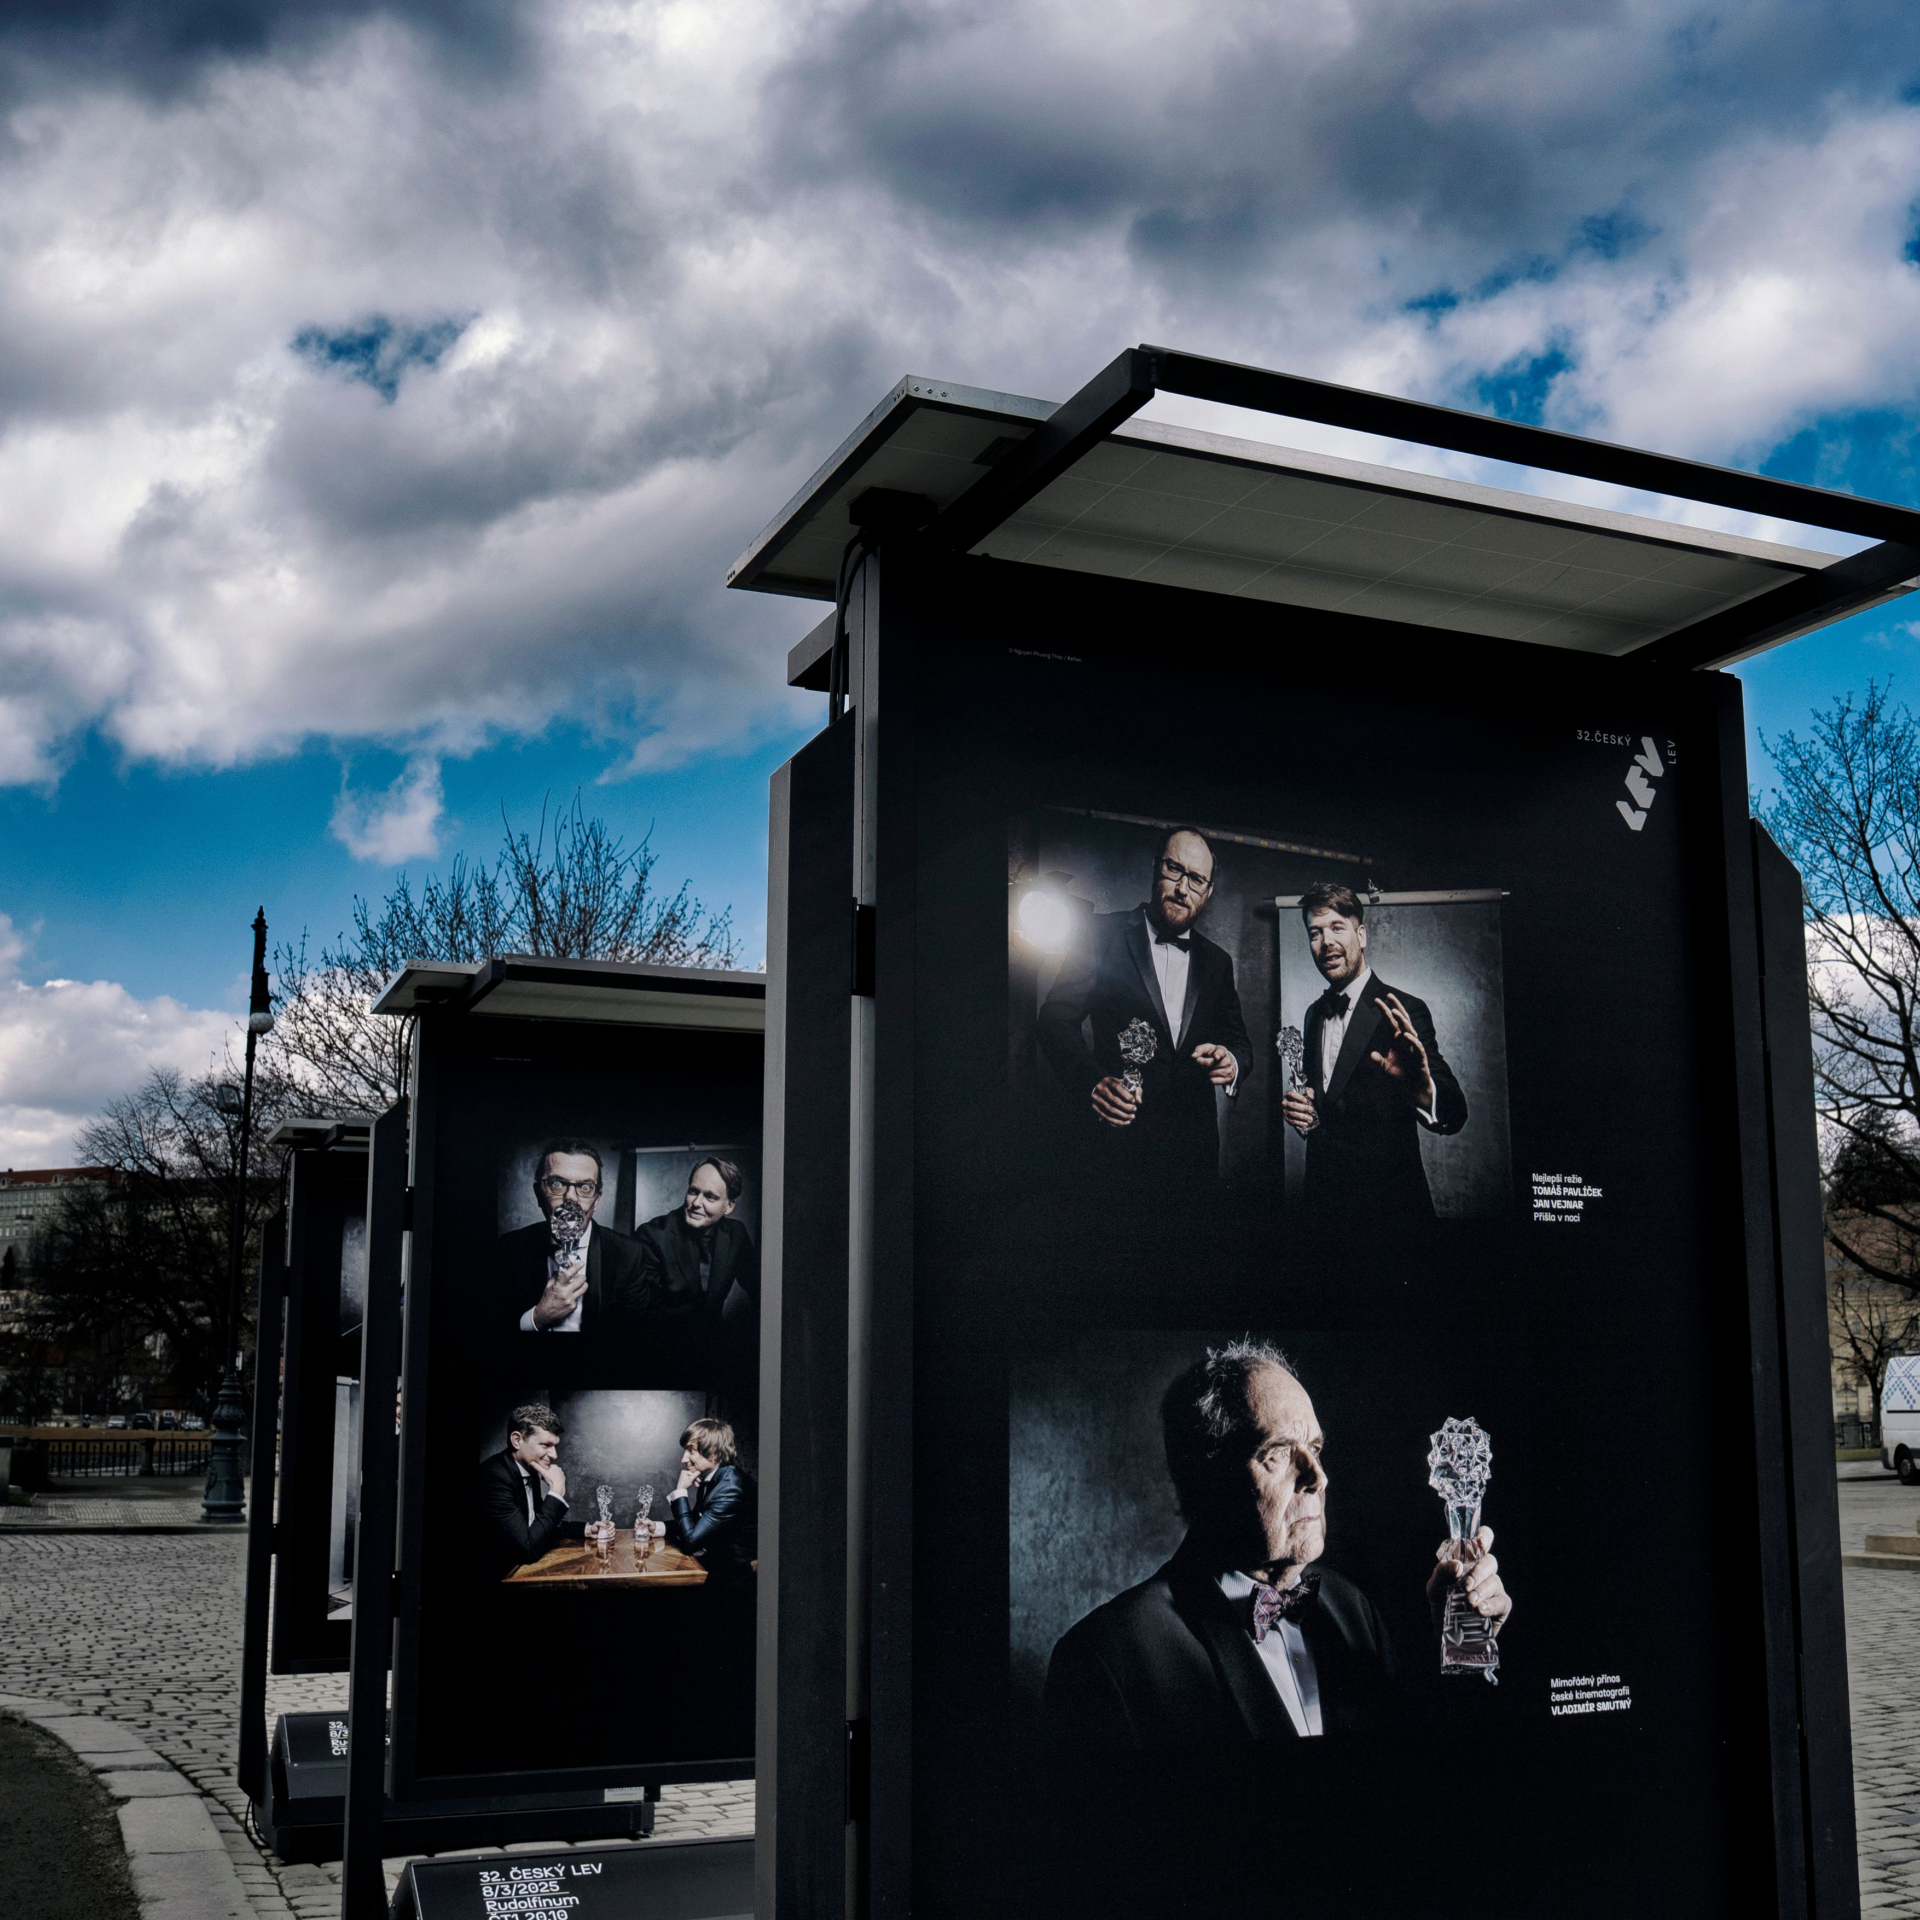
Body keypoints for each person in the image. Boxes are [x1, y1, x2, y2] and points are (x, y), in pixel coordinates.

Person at [1044, 1340, 1510, 1747]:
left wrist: (1462, 1644)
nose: (1318, 1477)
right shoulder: (1106, 1659)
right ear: (1208, 1480)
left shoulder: (1351, 1609)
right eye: (1280, 1454)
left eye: (1316, 1449)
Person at [1035, 827, 1251, 1189]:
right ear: (1155, 867)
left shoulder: (1219, 963)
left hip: (1193, 1157)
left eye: (1196, 879)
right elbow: (1054, 1020)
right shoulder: (1099, 934)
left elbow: (1240, 1042)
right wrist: (1092, 1083)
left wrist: (1232, 1061)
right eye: (1174, 870)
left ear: (1208, 892)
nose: (1183, 888)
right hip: (1117, 1152)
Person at [1281, 882, 1467, 1222]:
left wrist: (1423, 1089)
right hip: (1322, 1212)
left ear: (1361, 935)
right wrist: (1304, 1109)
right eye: (1315, 933)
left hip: (1389, 1216)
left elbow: (1454, 1113)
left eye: (1338, 928)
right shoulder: (1313, 1014)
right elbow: (1327, 1101)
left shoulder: (1404, 1010)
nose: (1327, 943)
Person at [499, 1140, 645, 1334]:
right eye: (557, 1184)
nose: (571, 1198)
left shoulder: (629, 1255)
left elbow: (637, 1336)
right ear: (538, 1194)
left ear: (597, 1199)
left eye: (585, 1187)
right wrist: (537, 1318)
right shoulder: (508, 1249)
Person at [626, 1159, 758, 1366]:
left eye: (710, 1197)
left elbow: (760, 1290)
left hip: (715, 1350)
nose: (696, 1203)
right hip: (662, 1354)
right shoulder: (651, 1235)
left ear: (729, 1206)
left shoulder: (736, 1234)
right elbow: (640, 1316)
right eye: (693, 1191)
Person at [659, 1416, 757, 1587]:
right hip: (716, 1565)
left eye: (691, 1451)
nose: (683, 1459)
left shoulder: (730, 1488)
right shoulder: (714, 1478)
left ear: (712, 1453)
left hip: (736, 1578)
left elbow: (691, 1542)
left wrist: (680, 1491)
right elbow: (698, 1522)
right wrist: (658, 1527)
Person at [476, 1403, 570, 1576]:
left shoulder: (528, 1468)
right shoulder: (494, 1478)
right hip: (491, 1582)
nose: (554, 1455)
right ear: (517, 1440)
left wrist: (586, 1529)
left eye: (555, 1445)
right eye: (545, 1445)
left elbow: (538, 1525)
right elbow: (528, 1550)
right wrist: (556, 1492)